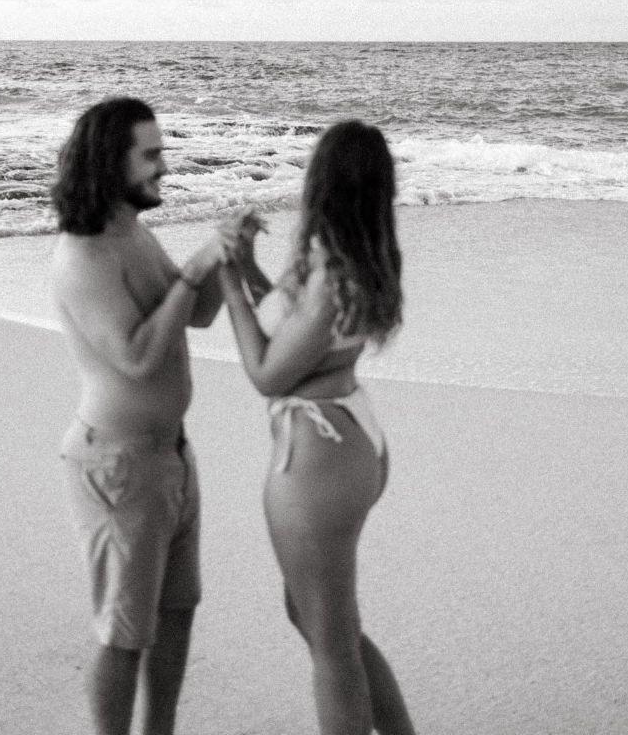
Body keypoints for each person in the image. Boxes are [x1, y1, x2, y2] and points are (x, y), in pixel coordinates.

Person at [218, 120, 416, 735]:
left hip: (320, 459)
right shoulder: (361, 258)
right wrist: (250, 268)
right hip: (353, 436)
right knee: (322, 621)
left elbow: (268, 372)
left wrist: (227, 282)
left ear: (321, 184)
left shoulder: (331, 275)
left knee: (331, 649)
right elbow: (300, 331)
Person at [50, 96, 226, 735]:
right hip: (118, 464)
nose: (163, 166)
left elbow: (197, 313)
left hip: (170, 456)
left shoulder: (134, 233)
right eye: (150, 155)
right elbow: (137, 356)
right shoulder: (85, 254)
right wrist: (197, 267)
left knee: (177, 612)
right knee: (124, 632)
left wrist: (223, 261)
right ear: (110, 161)